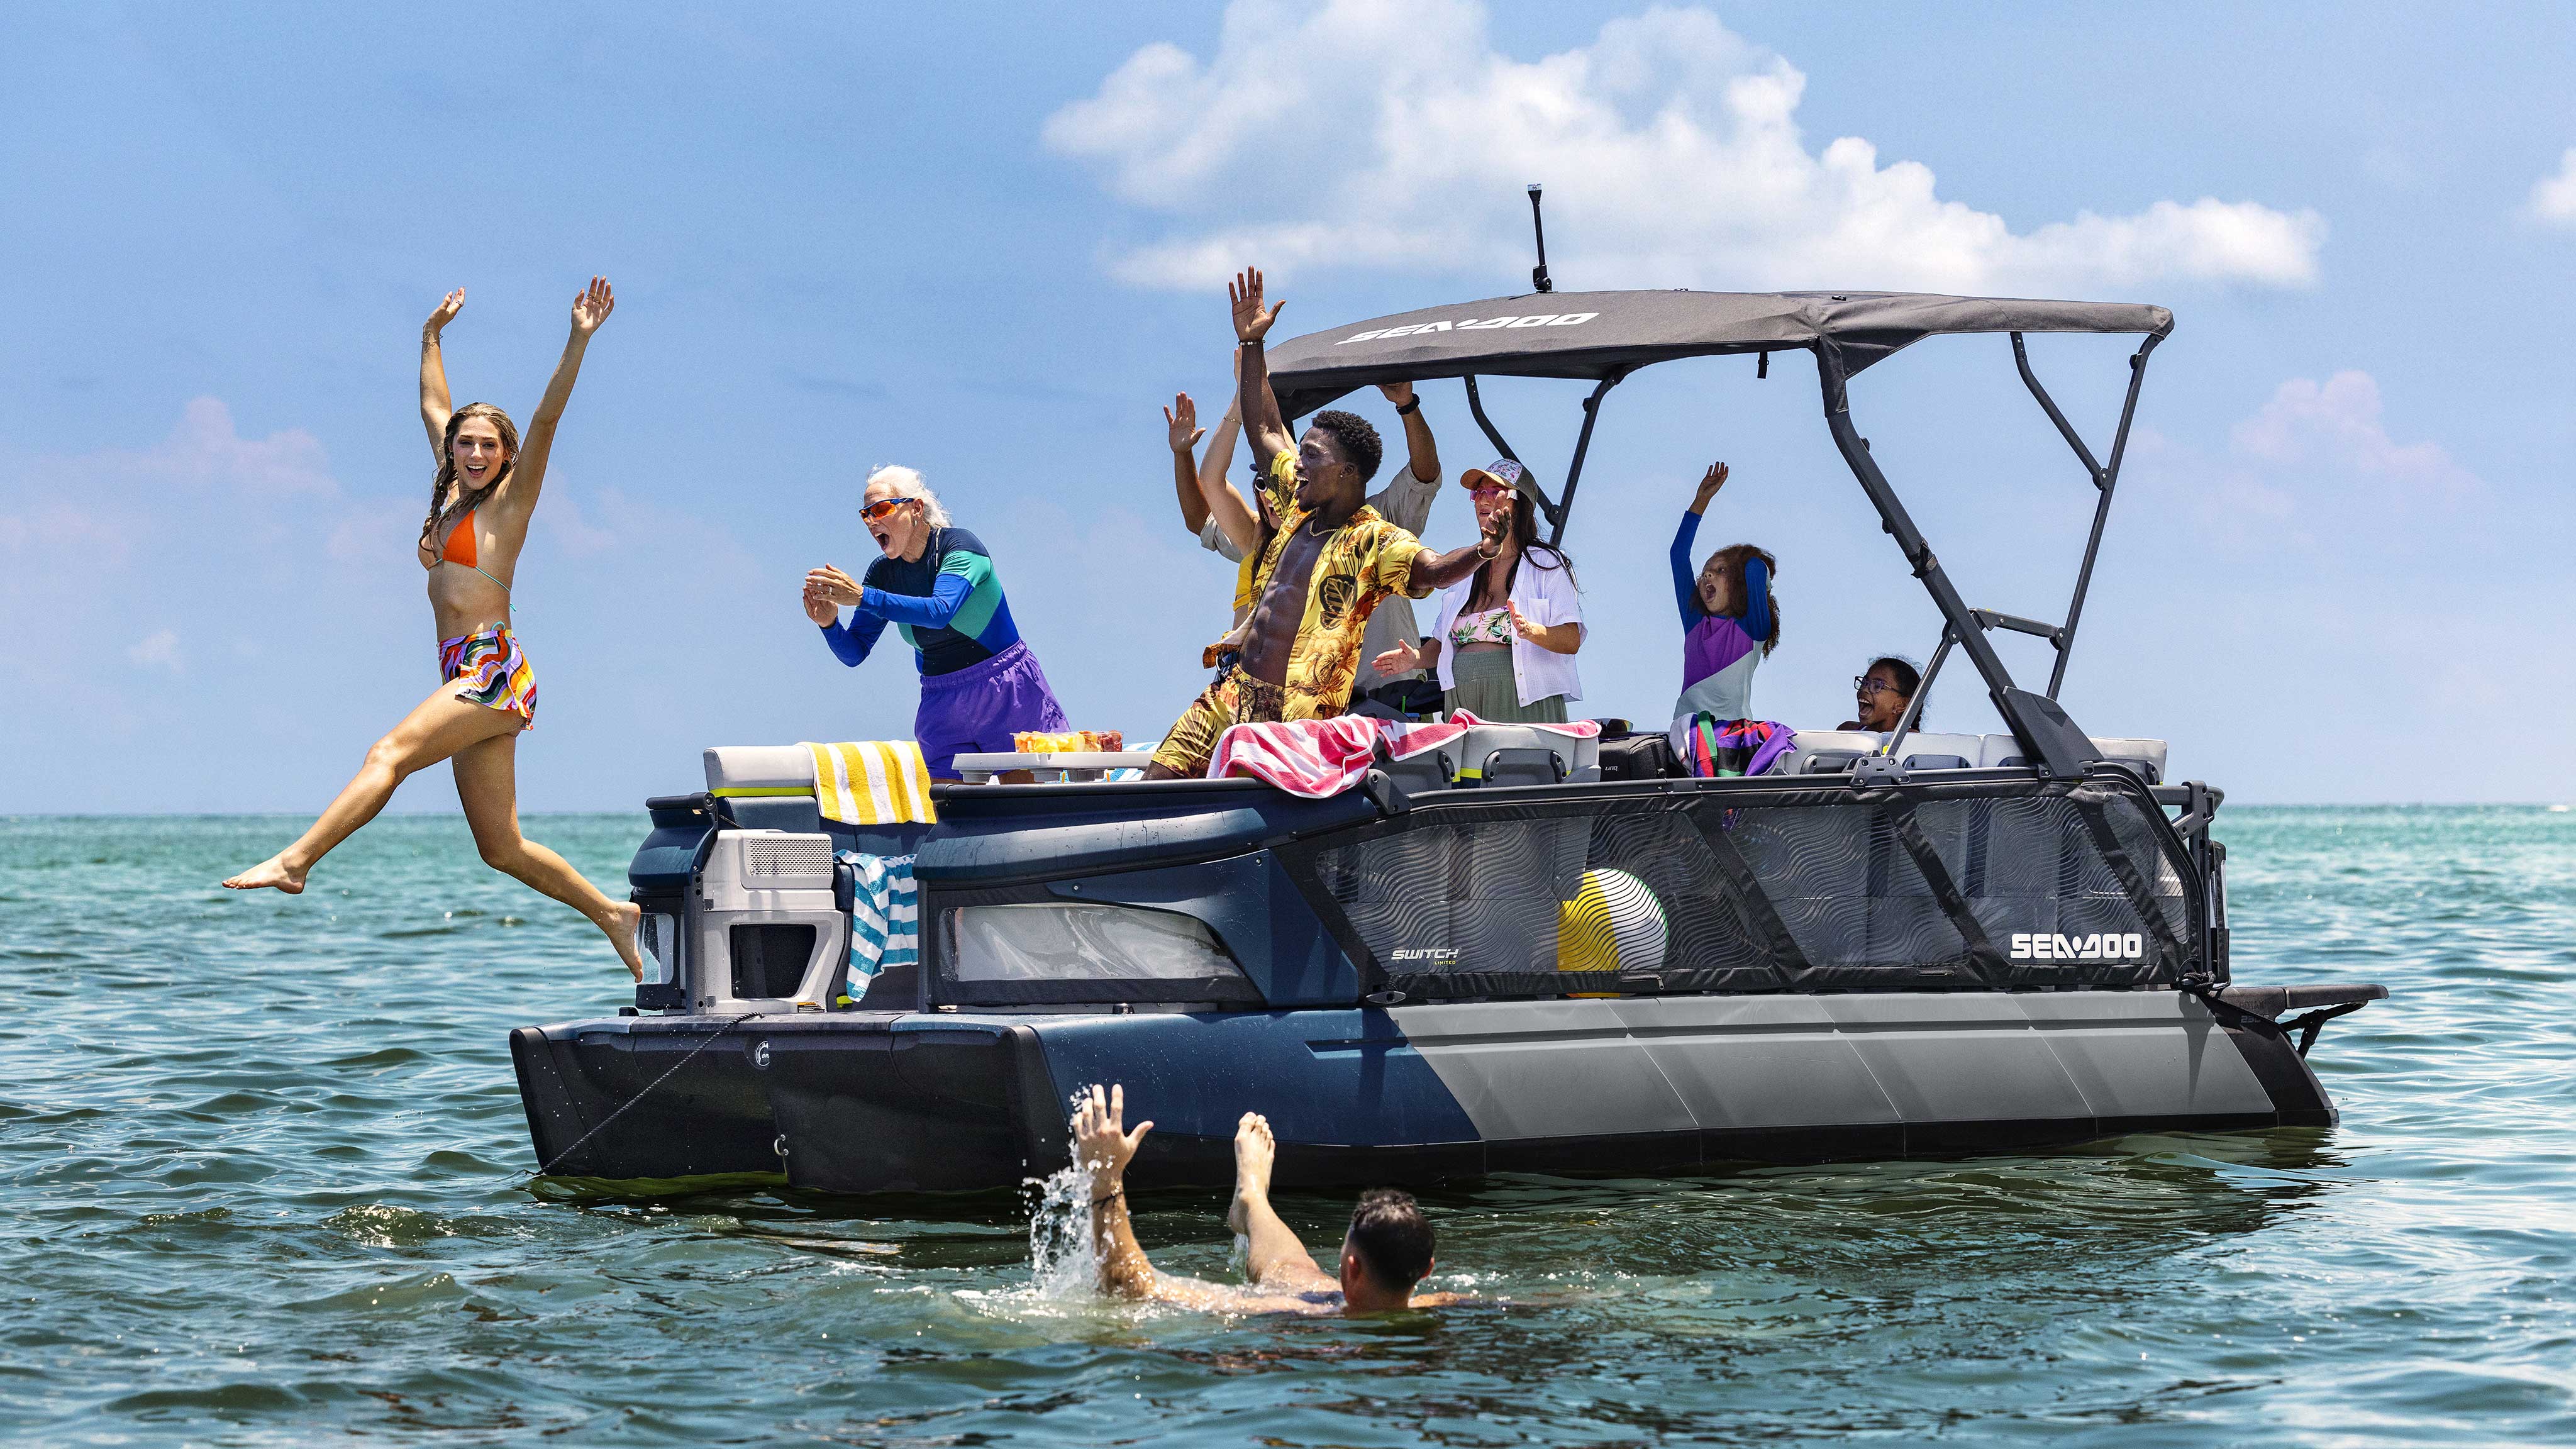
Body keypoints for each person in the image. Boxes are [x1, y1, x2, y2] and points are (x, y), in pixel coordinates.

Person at [223, 280, 647, 980]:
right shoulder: (449, 496)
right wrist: (430, 336)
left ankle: (296, 862)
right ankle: (612, 913)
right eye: (464, 443)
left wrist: (578, 339)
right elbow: (432, 405)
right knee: (501, 847)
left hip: (491, 667)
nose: (474, 452)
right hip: (462, 673)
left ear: (506, 455)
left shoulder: (509, 504)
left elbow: (545, 421)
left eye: (487, 445)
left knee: (386, 752)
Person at [1143, 267, 1506, 779]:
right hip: (1233, 691)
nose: (1299, 465)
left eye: (1311, 457)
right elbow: (1265, 426)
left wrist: (1483, 551)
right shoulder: (1294, 503)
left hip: (1298, 714)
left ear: (1346, 473)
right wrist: (1252, 346)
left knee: (1245, 820)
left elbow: (1432, 570)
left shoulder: (1373, 537)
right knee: (1156, 785)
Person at [1070, 1083, 1463, 1316]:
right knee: (1297, 1273)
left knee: (1292, 1279)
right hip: (1350, 1301)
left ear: (1352, 1267)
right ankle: (1252, 1198)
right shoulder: (1443, 1302)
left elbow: (1130, 1288)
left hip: (1307, 1316)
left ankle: (1253, 1197)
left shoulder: (1287, 1315)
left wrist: (1106, 1180)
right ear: (1427, 1270)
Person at [1185, 369, 1445, 693]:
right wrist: (1250, 374)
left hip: (1384, 701)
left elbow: (1425, 475)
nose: (1272, 490)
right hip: (1305, 711)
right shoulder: (1264, 541)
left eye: (1280, 479)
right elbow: (1207, 501)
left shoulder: (1380, 520)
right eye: (1263, 483)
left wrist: (1407, 405)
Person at [802, 467, 1069, 780]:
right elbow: (854, 653)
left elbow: (941, 610)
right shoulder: (883, 574)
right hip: (941, 700)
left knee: (1028, 810)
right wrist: (829, 624)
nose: (872, 521)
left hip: (1005, 688)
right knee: (953, 817)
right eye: (866, 514)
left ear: (915, 508)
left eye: (882, 509)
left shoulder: (961, 547)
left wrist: (862, 597)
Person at [1370, 459, 1583, 723]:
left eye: (1495, 492)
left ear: (1521, 504)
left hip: (1521, 704)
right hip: (1461, 705)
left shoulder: (1546, 563)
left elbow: (1571, 639)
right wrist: (1415, 658)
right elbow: (1440, 645)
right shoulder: (1466, 566)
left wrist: (1532, 632)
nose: (1484, 500)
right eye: (1479, 493)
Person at [1669, 461, 1779, 723]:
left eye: (1720, 571)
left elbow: (1755, 568)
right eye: (1706, 571)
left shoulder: (1753, 629)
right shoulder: (1695, 621)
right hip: (1688, 734)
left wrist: (1744, 566)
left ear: (1742, 585)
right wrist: (1701, 500)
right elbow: (1678, 555)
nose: (1708, 574)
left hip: (1735, 737)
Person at [1840, 655, 1924, 733]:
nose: (1864, 689)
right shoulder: (1847, 732)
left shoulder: (1912, 741)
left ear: (1901, 705)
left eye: (1877, 686)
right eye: (1864, 683)